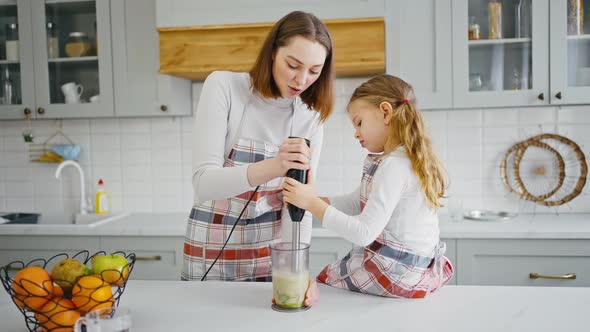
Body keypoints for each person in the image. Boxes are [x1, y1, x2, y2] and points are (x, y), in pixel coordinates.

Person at [182, 11, 333, 304]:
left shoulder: (310, 117)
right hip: (211, 250)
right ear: (273, 52)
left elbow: (297, 204)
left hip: (272, 257)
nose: (302, 80)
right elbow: (204, 184)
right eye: (293, 65)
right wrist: (275, 166)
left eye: (314, 71)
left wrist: (297, 270)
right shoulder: (224, 87)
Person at [281, 74, 454, 298]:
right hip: (413, 273)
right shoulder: (399, 160)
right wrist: (311, 201)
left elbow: (364, 234)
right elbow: (356, 201)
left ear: (385, 112)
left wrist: (312, 204)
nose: (356, 133)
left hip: (394, 273)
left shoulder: (394, 166)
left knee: (321, 285)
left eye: (359, 122)